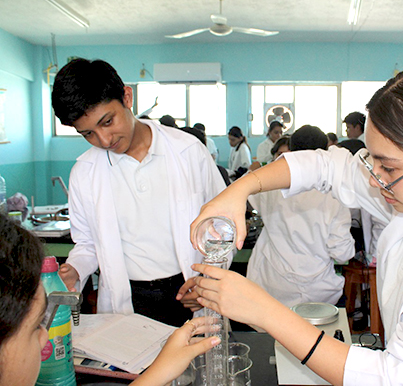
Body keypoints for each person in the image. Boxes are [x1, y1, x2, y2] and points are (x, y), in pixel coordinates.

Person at [182, 65, 403, 385]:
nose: (373, 179)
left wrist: (264, 310)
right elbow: (326, 167)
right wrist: (239, 189)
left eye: (389, 168)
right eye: (372, 161)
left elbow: (402, 379)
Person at [51, 58, 227, 326]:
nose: (104, 140)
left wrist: (207, 279)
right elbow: (87, 243)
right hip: (128, 299)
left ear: (127, 97)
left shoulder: (188, 152)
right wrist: (75, 269)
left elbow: (223, 226)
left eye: (108, 121)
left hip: (188, 292)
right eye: (88, 134)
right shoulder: (85, 173)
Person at [0, 213, 219, 386]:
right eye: (36, 326)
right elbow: (87, 242)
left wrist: (155, 375)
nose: (44, 338)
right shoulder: (87, 170)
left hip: (178, 290)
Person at [246, 125, 354, 307]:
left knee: (268, 331)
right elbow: (342, 253)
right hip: (317, 292)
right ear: (324, 153)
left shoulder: (272, 184)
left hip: (271, 285)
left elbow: (250, 198)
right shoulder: (334, 194)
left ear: (291, 150)